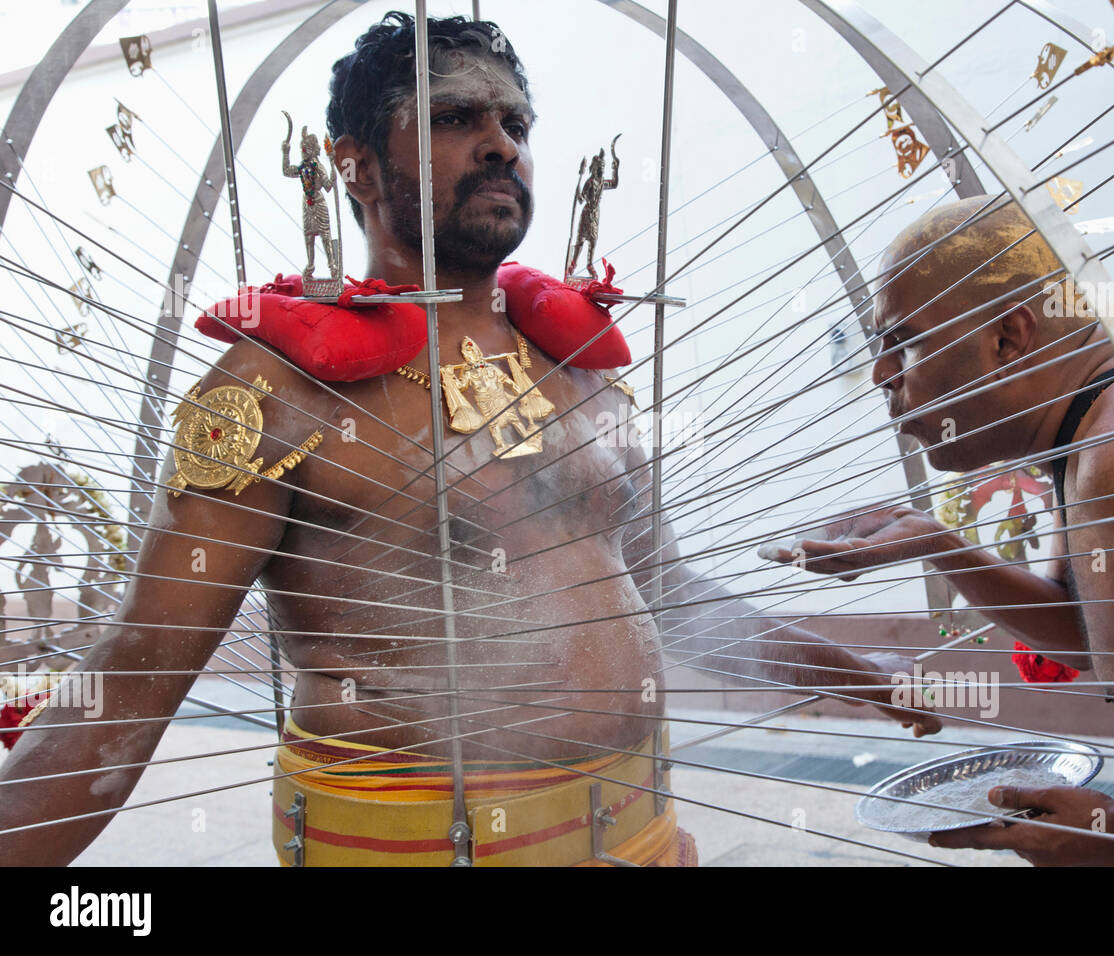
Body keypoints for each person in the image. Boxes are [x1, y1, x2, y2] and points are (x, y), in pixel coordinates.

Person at [0, 12, 936, 868]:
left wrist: (855, 674)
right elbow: (133, 674)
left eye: (516, 126)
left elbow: (669, 593)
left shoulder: (580, 363)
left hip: (638, 831)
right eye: (455, 119)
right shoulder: (272, 392)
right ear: (356, 163)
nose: (500, 146)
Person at [767, 195, 1114, 865]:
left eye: (902, 340)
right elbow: (1108, 635)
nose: (880, 375)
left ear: (1008, 337)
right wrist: (934, 542)